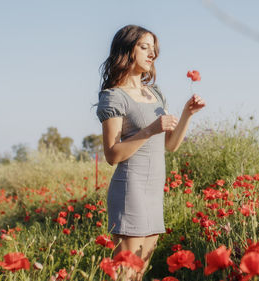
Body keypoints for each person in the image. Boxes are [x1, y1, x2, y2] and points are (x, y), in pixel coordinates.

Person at [96, 24, 205, 280]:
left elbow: (171, 145)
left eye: (153, 49)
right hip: (130, 189)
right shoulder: (113, 96)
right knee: (125, 273)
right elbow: (112, 155)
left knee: (140, 271)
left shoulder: (155, 94)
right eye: (144, 47)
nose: (151, 54)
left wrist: (187, 114)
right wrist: (149, 129)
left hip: (154, 190)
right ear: (126, 50)